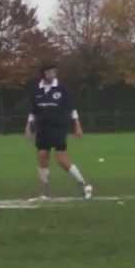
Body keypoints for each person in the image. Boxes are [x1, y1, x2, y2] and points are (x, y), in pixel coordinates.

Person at [25, 61, 93, 200]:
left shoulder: (62, 89)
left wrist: (77, 125)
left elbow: (72, 108)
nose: (52, 74)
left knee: (61, 159)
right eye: (49, 71)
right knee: (42, 156)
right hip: (42, 128)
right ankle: (44, 192)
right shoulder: (37, 90)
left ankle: (84, 184)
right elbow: (33, 111)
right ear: (43, 74)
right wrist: (28, 126)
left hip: (58, 127)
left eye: (54, 71)